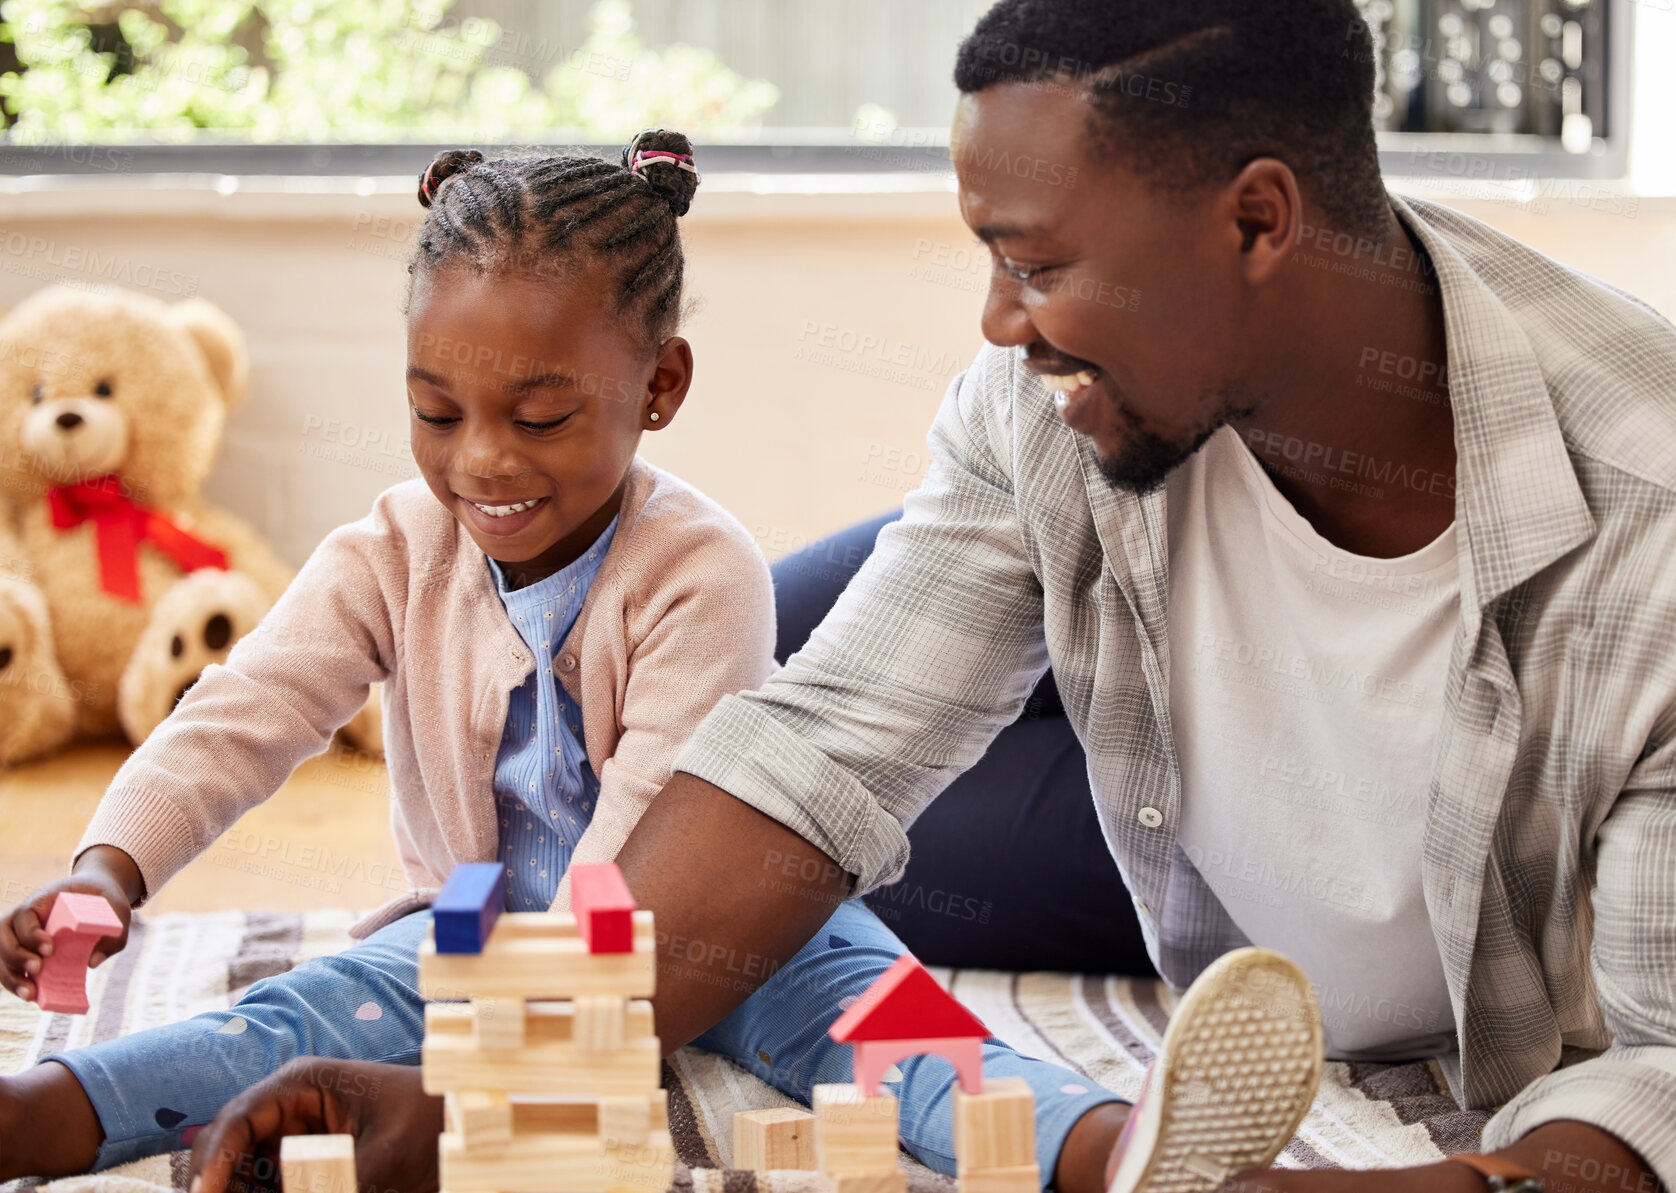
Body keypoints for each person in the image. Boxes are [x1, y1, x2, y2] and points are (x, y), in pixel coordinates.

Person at [182, 1, 1676, 1190]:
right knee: (702, 696)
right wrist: (477, 1092)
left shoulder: (1648, 530)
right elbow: (822, 752)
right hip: (1122, 671)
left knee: (815, 863)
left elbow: (1665, 1069)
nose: (993, 321)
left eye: (1033, 264)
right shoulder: (1045, 403)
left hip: (1181, 814)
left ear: (1259, 222)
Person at [0, 133, 1145, 1188]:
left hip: (724, 933)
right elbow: (251, 705)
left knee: (907, 1040)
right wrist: (109, 867)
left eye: (539, 417)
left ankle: (1125, 1148)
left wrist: (523, 1056)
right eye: (436, 412)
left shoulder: (703, 570)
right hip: (477, 929)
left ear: (658, 386)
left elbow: (648, 834)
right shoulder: (394, 545)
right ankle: (43, 1111)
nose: (482, 461)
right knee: (297, 1017)